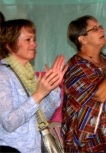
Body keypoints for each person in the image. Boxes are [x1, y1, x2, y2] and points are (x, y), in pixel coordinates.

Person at [61, 16, 106, 152]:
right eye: (95, 28)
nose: (102, 29)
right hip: (89, 143)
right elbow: (100, 95)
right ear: (82, 39)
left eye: (100, 26)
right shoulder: (75, 67)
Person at [0, 19, 68, 153]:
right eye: (28, 40)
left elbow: (44, 117)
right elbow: (9, 123)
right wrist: (38, 95)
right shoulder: (3, 77)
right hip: (13, 149)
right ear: (9, 45)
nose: (34, 44)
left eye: (34, 39)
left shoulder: (31, 76)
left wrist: (54, 87)